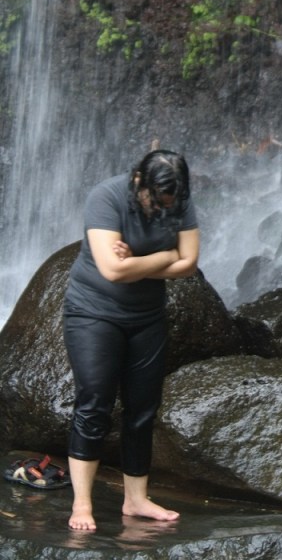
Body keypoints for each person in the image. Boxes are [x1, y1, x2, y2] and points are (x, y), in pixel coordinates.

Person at [63, 148, 200, 532]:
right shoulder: (106, 197)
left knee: (142, 410)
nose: (162, 210)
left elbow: (189, 264)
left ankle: (136, 500)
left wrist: (138, 261)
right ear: (139, 181)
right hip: (93, 313)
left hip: (147, 318)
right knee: (94, 403)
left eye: (170, 204)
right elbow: (111, 269)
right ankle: (82, 503)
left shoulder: (181, 201)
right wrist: (166, 254)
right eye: (156, 202)